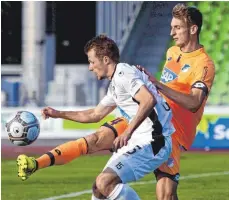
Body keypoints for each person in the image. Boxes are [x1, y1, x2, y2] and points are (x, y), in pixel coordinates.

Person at [17, 34, 175, 200]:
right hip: (141, 140)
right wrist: (58, 114)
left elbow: (148, 100)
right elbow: (94, 114)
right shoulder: (116, 83)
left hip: (155, 141)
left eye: (92, 61)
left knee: (105, 183)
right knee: (99, 190)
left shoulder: (123, 73)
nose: (90, 67)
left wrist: (127, 132)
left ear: (105, 59)